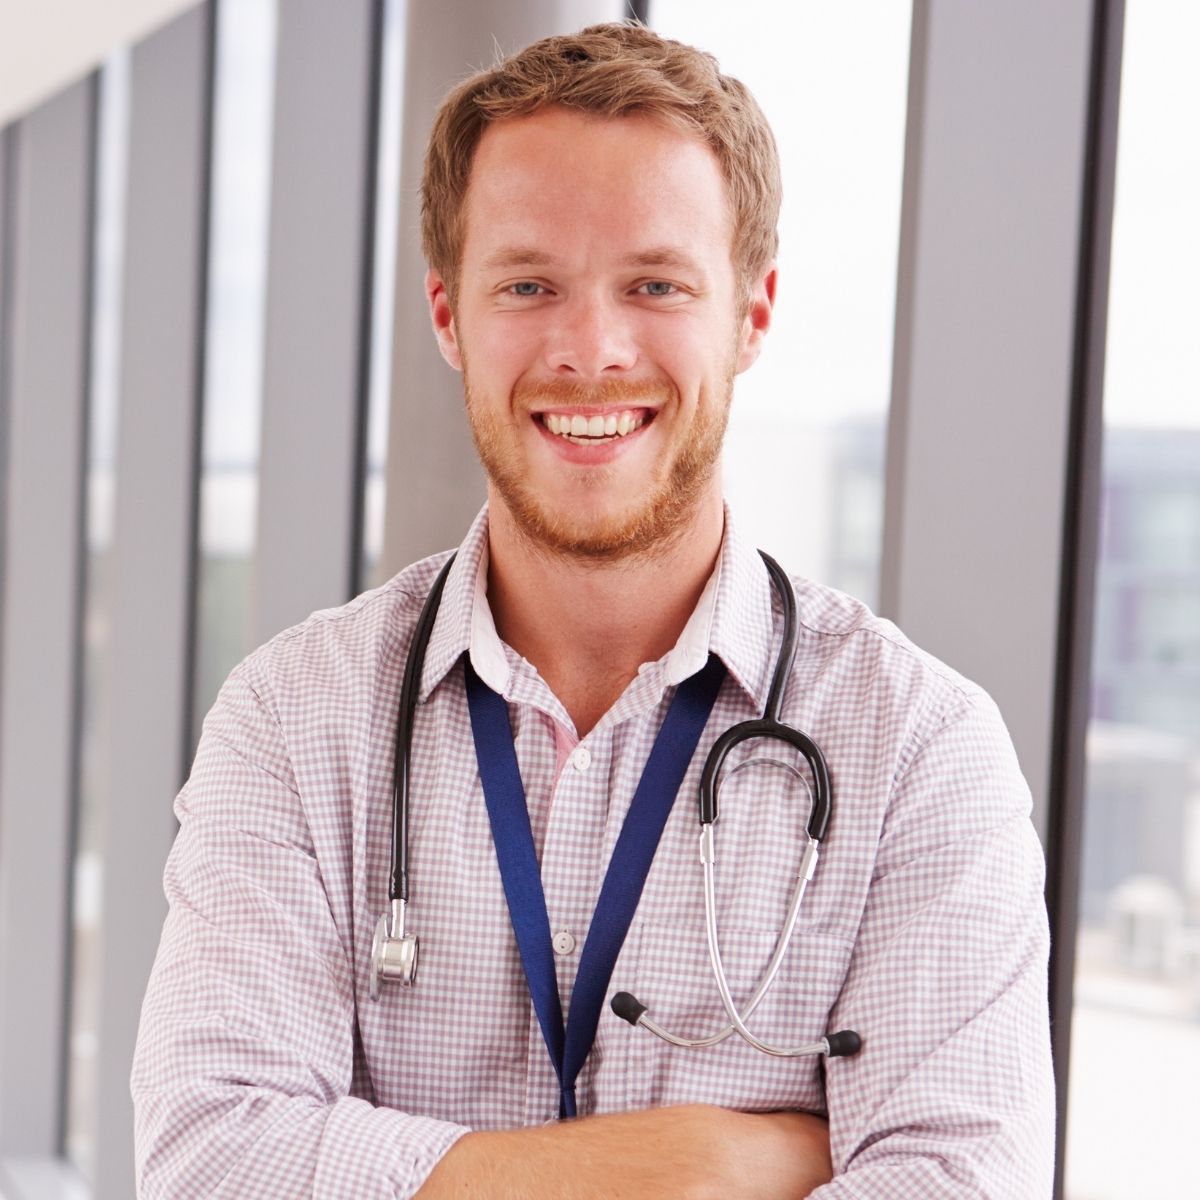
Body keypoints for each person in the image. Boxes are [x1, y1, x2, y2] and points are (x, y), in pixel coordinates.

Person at [132, 21, 1054, 1199]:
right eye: (529, 285)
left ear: (753, 315)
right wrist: (705, 1163)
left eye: (655, 285)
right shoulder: (293, 719)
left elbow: (962, 1185)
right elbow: (210, 1163)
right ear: (448, 316)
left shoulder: (920, 748)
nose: (590, 349)